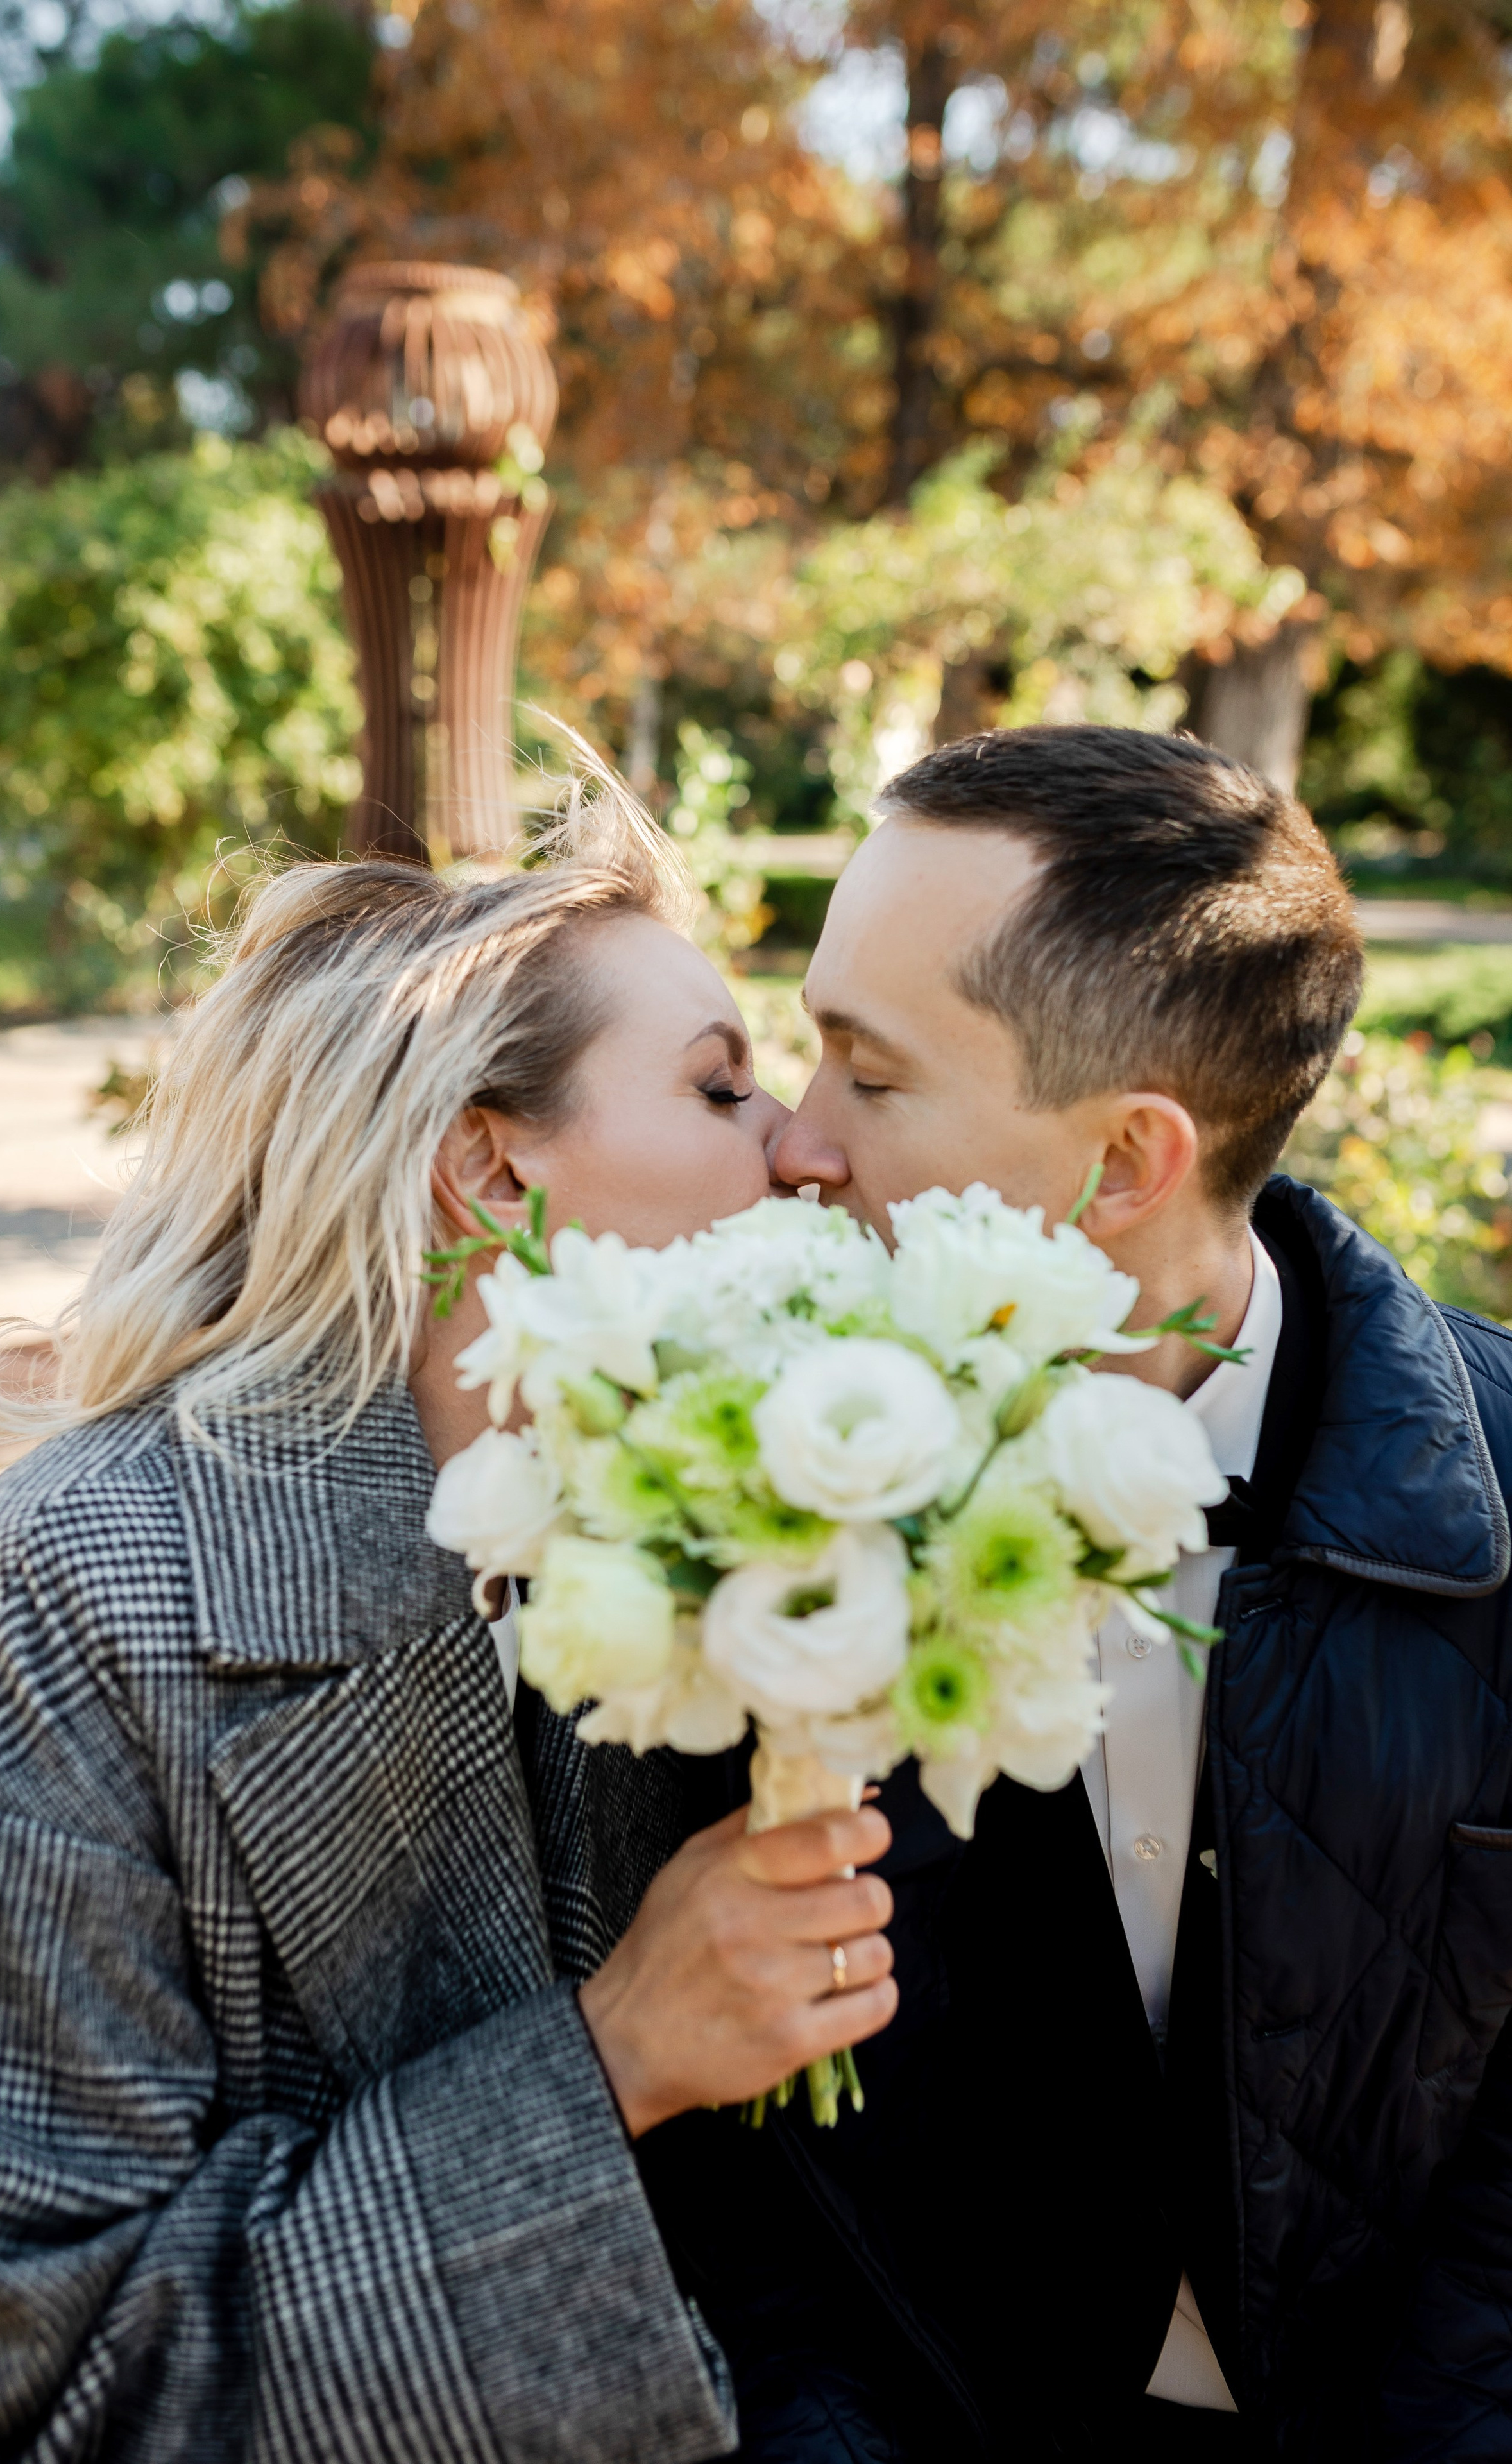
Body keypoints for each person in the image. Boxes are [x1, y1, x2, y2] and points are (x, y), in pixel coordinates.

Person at [0, 798, 899, 2461]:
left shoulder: (706, 1535)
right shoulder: (60, 1601)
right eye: (720, 1086)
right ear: (488, 1165)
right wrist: (613, 2056)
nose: (792, 1146)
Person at [643, 723, 1512, 2461]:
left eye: (869, 1078)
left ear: (1124, 1164)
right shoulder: (737, 1498)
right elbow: (754, 2203)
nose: (799, 1148)